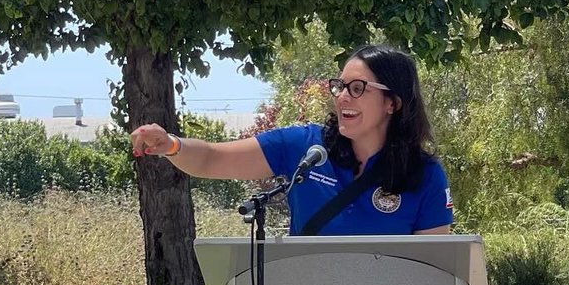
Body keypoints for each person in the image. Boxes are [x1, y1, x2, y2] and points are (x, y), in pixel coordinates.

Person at [130, 45, 454, 235]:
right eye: (339, 86)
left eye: (357, 89)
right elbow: (213, 159)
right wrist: (171, 144)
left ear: (392, 103)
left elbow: (436, 272)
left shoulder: (424, 175)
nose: (342, 97)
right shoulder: (306, 147)